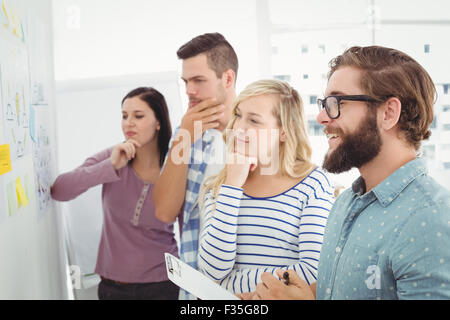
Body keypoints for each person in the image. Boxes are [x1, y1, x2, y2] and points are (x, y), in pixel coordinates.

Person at [244, 46, 450, 300]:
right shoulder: (343, 204)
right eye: (324, 104)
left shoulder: (432, 219)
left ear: (388, 113)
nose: (321, 117)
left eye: (336, 103)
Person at [197, 79, 334, 295]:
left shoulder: (313, 183)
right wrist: (232, 186)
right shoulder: (218, 187)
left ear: (283, 131)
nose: (239, 127)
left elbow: (313, 271)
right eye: (238, 115)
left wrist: (229, 286)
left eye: (254, 120)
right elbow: (212, 270)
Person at [51, 87, 179, 300]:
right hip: (114, 289)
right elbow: (59, 190)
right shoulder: (113, 156)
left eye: (138, 116)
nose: (129, 122)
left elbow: (190, 227)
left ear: (158, 122)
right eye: (124, 116)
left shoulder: (175, 168)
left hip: (164, 285)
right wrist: (109, 167)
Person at [153, 33, 238, 300]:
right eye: (186, 82)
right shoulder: (186, 133)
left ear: (227, 78)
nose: (189, 90)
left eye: (198, 81)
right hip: (198, 288)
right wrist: (184, 136)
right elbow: (165, 211)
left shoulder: (262, 130)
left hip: (250, 288)